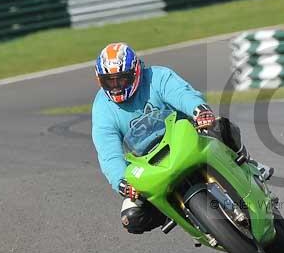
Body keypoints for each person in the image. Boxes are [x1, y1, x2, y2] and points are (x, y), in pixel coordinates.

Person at [91, 42, 272, 234]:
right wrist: (121, 181)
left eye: (122, 79)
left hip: (185, 137)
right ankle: (177, 211)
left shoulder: (156, 77)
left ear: (136, 72)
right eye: (109, 81)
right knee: (132, 219)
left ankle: (248, 164)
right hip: (148, 163)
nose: (116, 86)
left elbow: (181, 94)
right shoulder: (102, 107)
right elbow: (107, 151)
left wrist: (199, 110)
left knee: (221, 126)